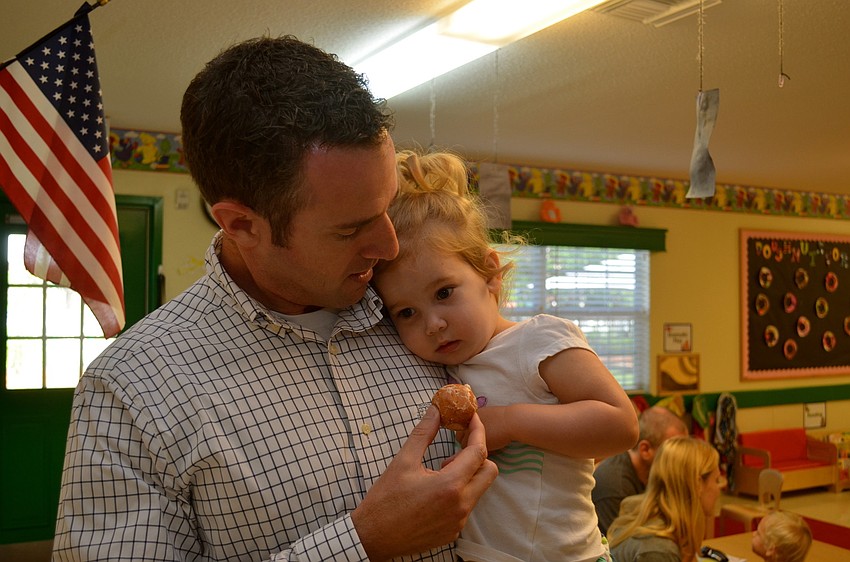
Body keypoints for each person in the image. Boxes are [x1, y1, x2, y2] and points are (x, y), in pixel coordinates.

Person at [52, 36, 498, 562]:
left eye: (387, 207)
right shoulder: (133, 391)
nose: (389, 246)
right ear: (242, 225)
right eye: (351, 229)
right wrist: (360, 544)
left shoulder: (420, 310)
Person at [371, 150, 639, 561]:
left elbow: (621, 425)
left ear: (489, 273)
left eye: (444, 293)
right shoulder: (442, 368)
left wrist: (513, 421)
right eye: (407, 312)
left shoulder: (538, 339)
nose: (433, 324)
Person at [606, 436, 724, 562]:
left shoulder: (657, 521)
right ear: (697, 484)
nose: (719, 489)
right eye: (716, 480)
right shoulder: (658, 550)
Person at [592, 406, 689, 535]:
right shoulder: (614, 485)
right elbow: (618, 548)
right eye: (673, 451)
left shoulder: (657, 473)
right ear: (645, 450)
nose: (683, 459)